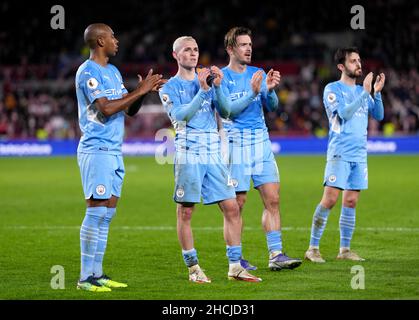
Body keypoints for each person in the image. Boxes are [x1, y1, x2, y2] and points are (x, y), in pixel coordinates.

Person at [159, 36, 261, 283]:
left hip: (213, 151)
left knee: (232, 207)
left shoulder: (208, 79)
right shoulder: (168, 87)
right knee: (186, 212)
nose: (193, 54)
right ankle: (193, 268)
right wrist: (203, 91)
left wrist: (217, 87)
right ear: (176, 55)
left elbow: (225, 111)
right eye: (187, 50)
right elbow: (181, 116)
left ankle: (235, 266)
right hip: (189, 151)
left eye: (195, 49)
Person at [75, 23, 164, 292]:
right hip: (96, 149)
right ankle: (84, 278)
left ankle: (97, 273)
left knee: (107, 214)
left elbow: (128, 110)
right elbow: (106, 108)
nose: (117, 40)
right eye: (113, 36)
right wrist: (138, 91)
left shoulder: (112, 72)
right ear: (100, 41)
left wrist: (142, 92)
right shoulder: (87, 71)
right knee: (96, 211)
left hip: (114, 150)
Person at [219, 27, 302, 271]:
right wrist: (253, 91)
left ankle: (276, 254)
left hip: (261, 142)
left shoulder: (258, 72)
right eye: (243, 44)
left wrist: (271, 90)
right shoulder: (222, 78)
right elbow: (228, 111)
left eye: (250, 45)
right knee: (238, 204)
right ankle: (236, 258)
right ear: (231, 49)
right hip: (237, 144)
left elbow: (272, 107)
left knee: (273, 199)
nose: (249, 49)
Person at [304, 47, 385, 263]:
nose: (358, 64)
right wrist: (364, 93)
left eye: (359, 60)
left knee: (350, 201)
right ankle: (312, 248)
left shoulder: (363, 91)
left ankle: (345, 250)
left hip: (359, 154)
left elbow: (379, 115)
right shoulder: (332, 89)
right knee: (330, 199)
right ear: (341, 66)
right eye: (353, 61)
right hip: (339, 151)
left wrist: (375, 93)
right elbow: (344, 114)